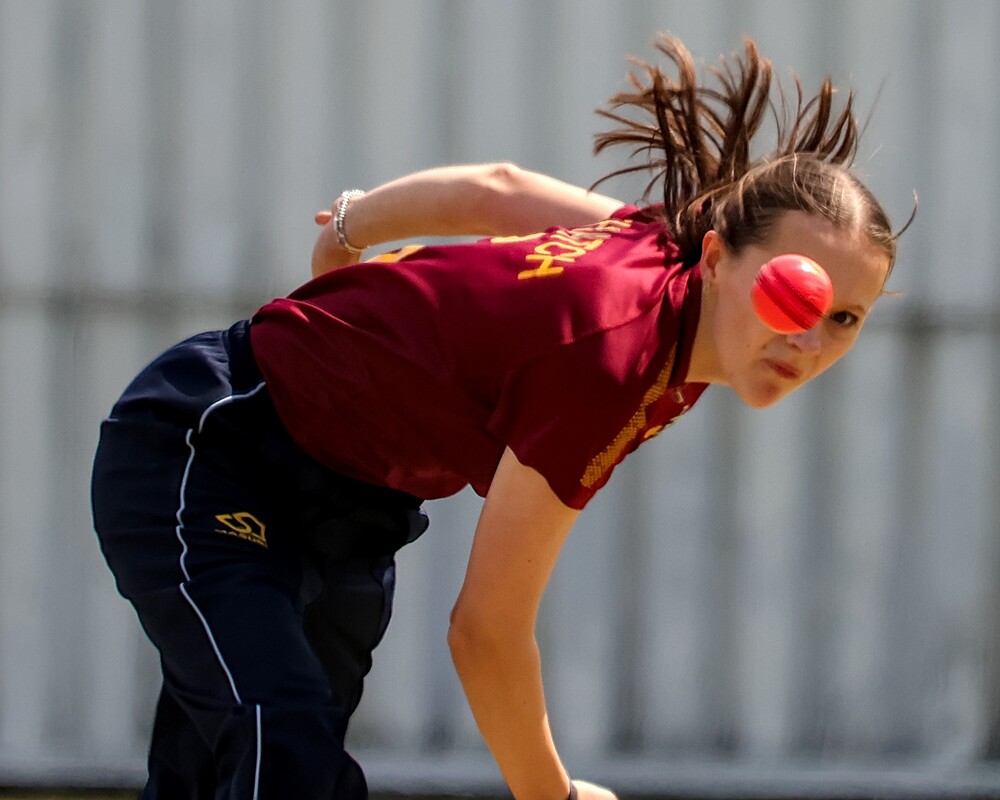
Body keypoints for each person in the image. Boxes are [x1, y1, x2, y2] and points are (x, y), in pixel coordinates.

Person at [90, 34, 908, 800]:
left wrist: (356, 225)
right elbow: (485, 630)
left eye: (844, 318)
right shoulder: (611, 358)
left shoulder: (660, 252)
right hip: (212, 445)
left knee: (227, 764)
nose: (808, 338)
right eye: (792, 292)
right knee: (282, 738)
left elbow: (497, 190)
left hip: (350, 510)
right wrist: (551, 793)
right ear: (721, 258)